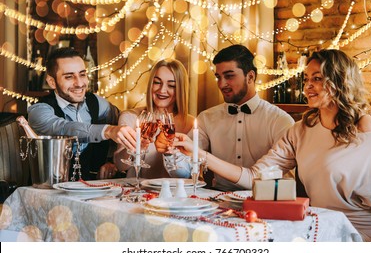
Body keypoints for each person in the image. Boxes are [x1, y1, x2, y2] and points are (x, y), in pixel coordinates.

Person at [173, 49, 371, 242]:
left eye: (317, 78)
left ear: (339, 81)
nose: (308, 87)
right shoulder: (300, 129)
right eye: (306, 79)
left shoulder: (364, 126)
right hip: (317, 227)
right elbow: (254, 176)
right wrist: (199, 153)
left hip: (357, 233)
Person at [155, 44, 295, 191]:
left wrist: (200, 153)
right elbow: (184, 172)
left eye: (229, 76)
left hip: (266, 203)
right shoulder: (206, 118)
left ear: (250, 76)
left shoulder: (280, 121)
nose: (221, 84)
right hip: (218, 202)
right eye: (218, 77)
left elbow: (259, 179)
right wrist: (170, 152)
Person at [28, 47, 137, 180]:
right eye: (69, 77)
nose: (79, 83)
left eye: (82, 74)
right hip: (51, 189)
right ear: (52, 82)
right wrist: (108, 131)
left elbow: (123, 120)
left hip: (93, 189)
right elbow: (64, 128)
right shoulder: (39, 110)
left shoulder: (96, 102)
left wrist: (112, 161)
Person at [113, 58, 195, 178]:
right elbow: (121, 166)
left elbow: (188, 174)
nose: (162, 90)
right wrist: (134, 147)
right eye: (157, 82)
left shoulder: (192, 124)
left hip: (174, 194)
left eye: (171, 85)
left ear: (180, 90)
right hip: (138, 192)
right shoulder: (131, 117)